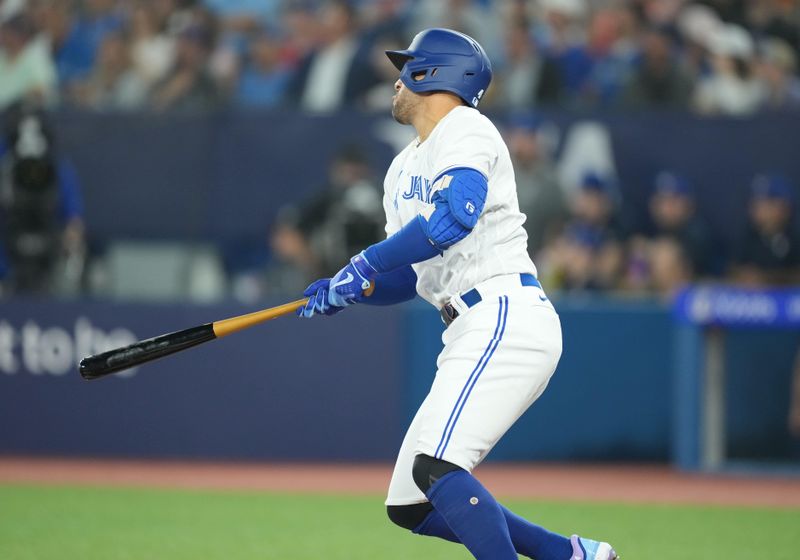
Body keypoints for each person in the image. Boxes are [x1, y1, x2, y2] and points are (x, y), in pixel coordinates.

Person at [296, 28, 618, 560]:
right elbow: (410, 274)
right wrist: (349, 289)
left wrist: (364, 263)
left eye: (407, 68)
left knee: (438, 468)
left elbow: (452, 219)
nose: (396, 80)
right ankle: (572, 555)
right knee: (411, 503)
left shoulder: (467, 128)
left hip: (503, 313)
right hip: (468, 325)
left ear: (433, 73)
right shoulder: (402, 168)